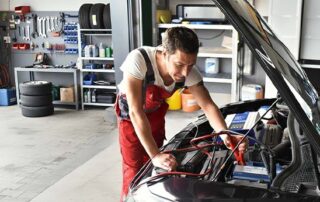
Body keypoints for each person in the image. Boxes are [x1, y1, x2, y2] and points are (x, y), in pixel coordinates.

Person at [115, 26, 247, 201]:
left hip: (155, 115)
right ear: (164, 53)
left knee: (160, 166)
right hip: (131, 119)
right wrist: (155, 155)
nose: (185, 73)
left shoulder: (188, 71)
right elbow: (135, 110)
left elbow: (208, 106)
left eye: (190, 65)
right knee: (134, 168)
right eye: (179, 64)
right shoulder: (139, 60)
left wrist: (226, 136)